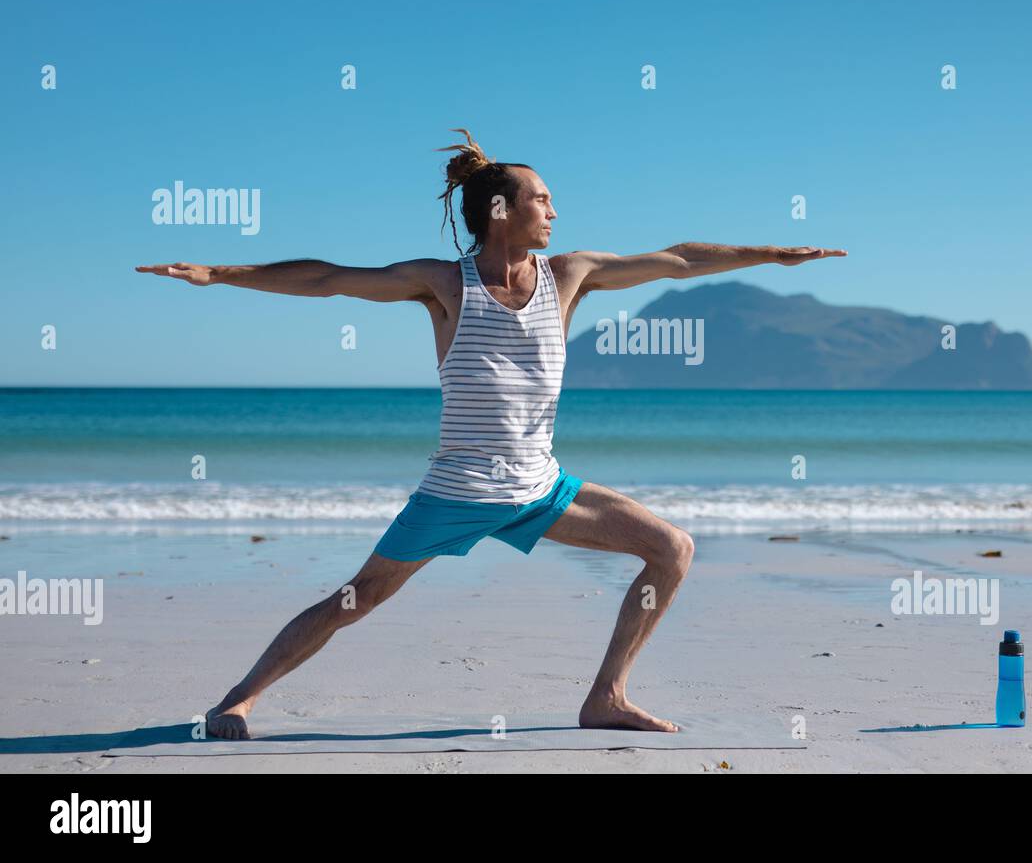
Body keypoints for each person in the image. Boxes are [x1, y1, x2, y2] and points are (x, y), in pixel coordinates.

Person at [136, 128, 846, 738]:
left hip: (541, 488)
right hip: (454, 491)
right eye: (543, 199)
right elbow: (327, 278)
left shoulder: (571, 275)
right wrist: (219, 273)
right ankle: (239, 697)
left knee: (672, 550)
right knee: (358, 599)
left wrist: (769, 254)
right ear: (502, 210)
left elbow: (680, 258)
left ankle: (606, 697)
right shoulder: (444, 284)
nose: (555, 212)